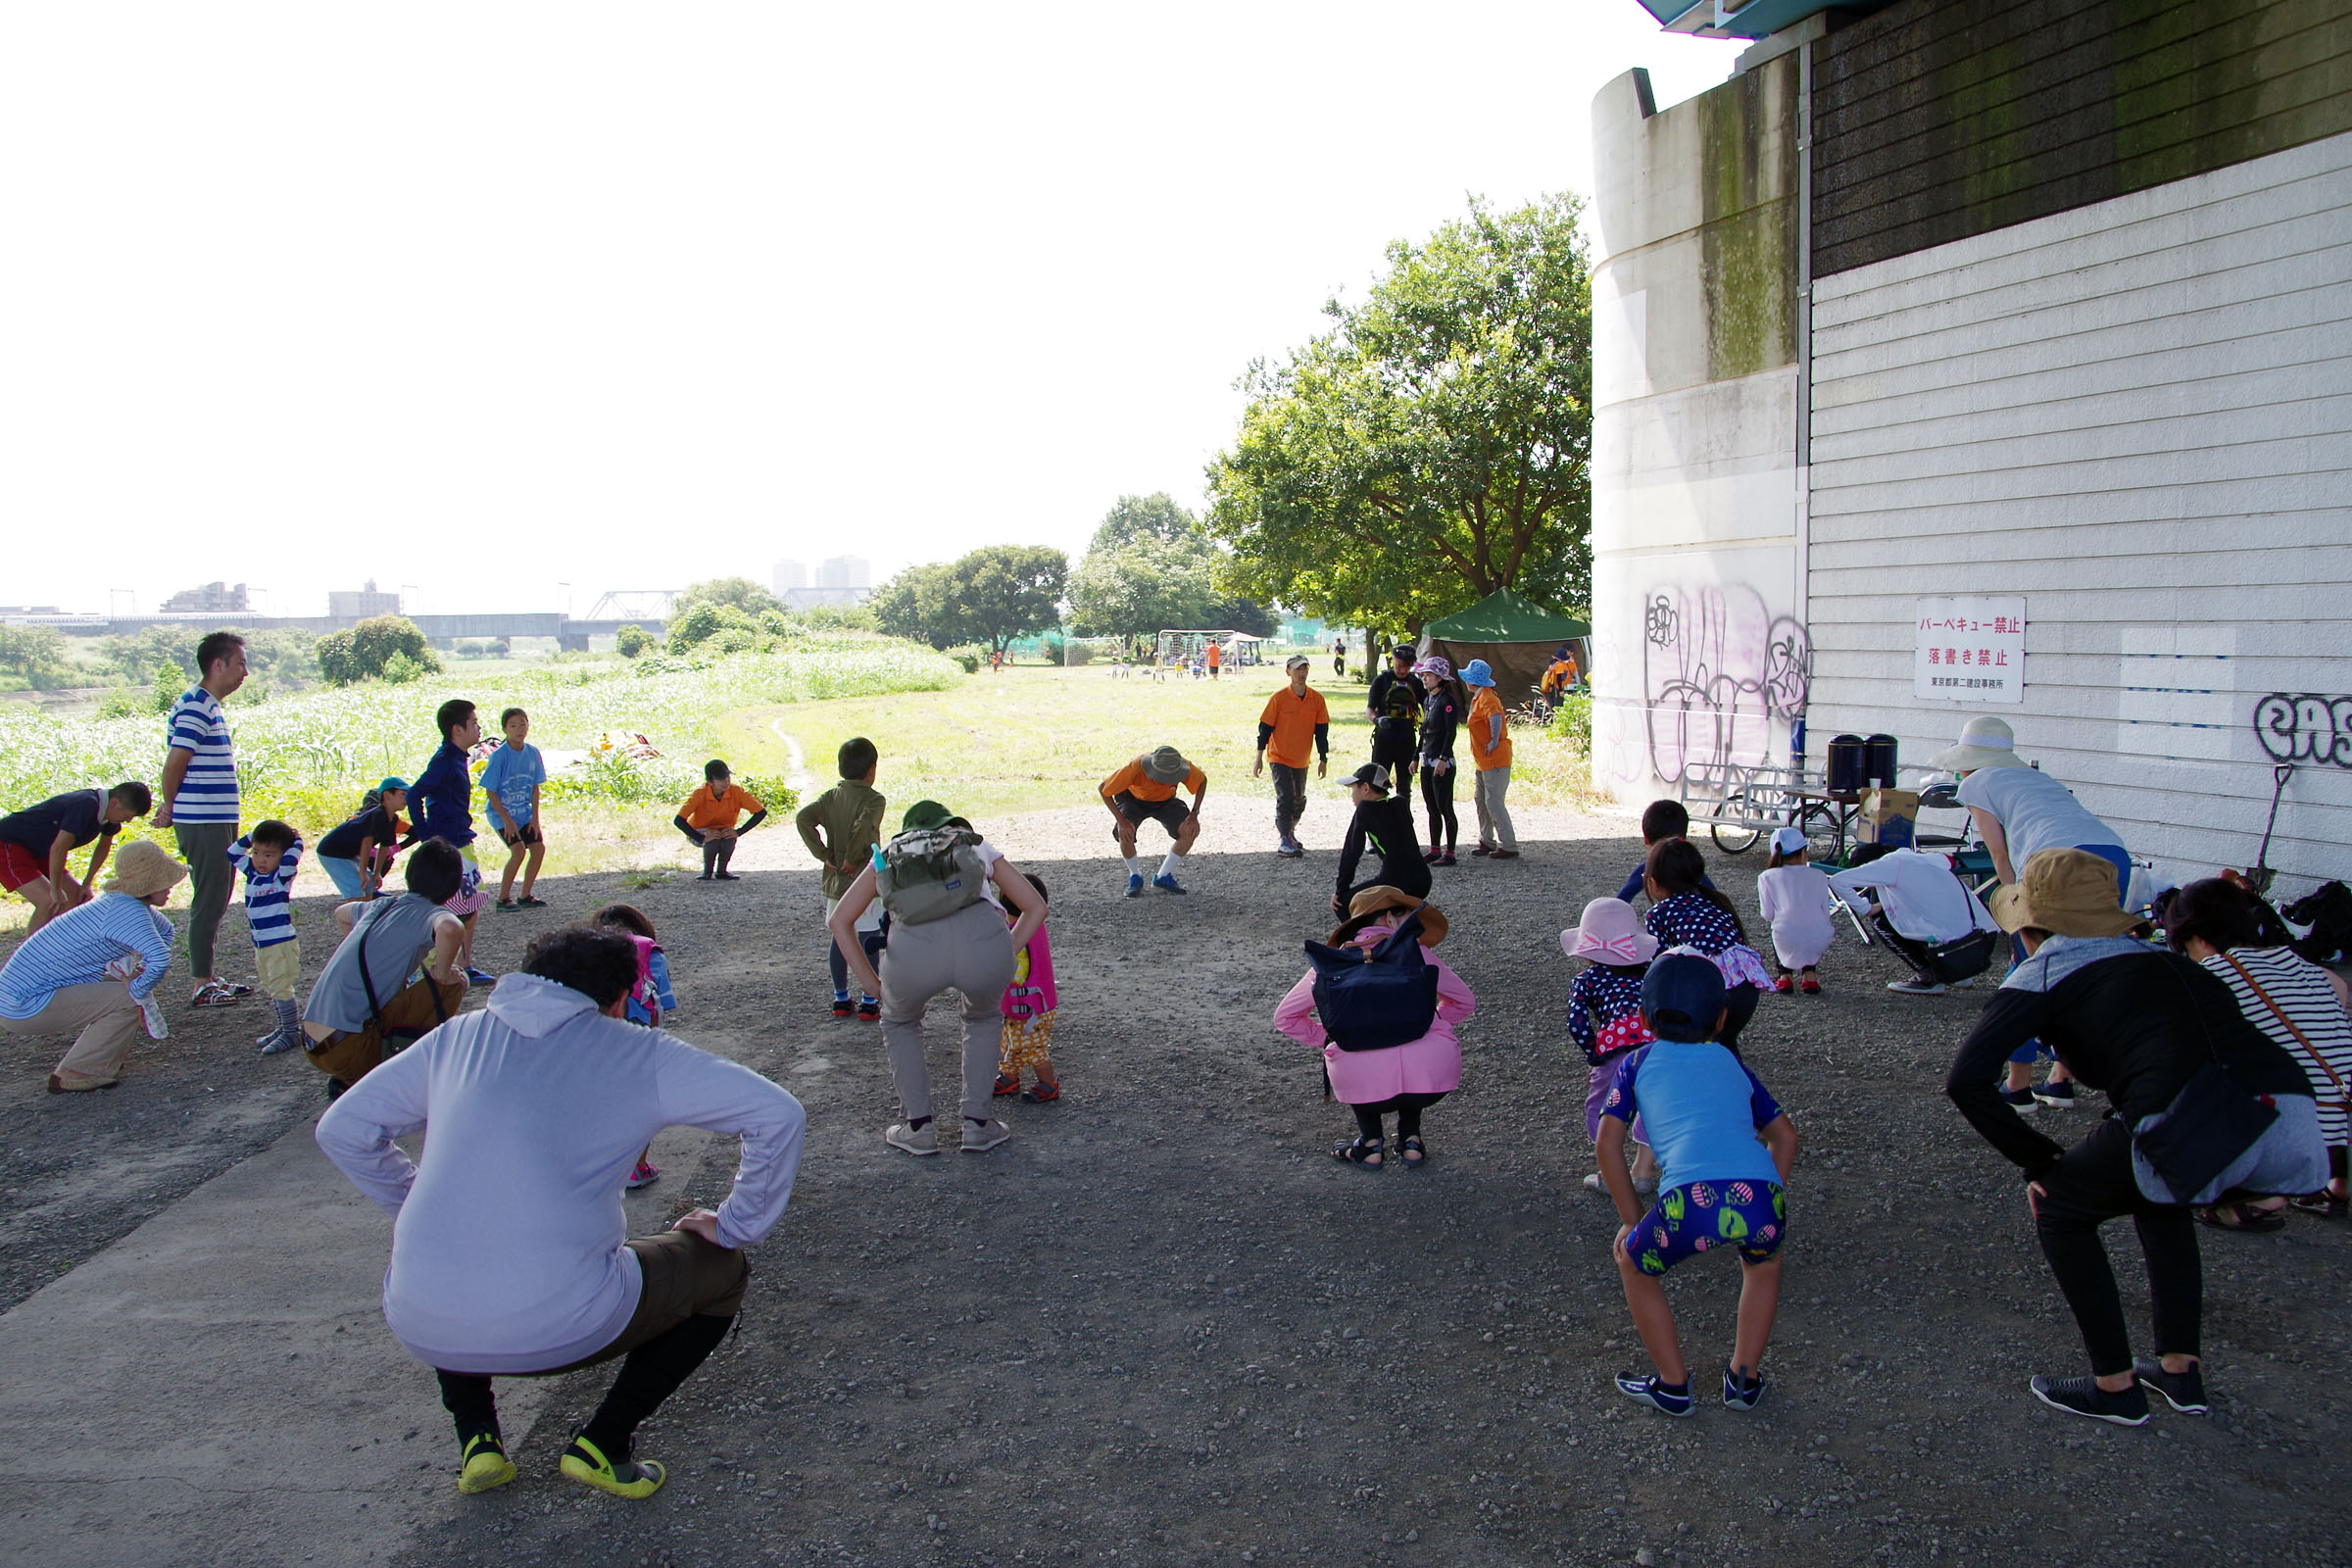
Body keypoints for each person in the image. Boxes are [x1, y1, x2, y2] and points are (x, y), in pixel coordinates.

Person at [316, 924, 807, 1500]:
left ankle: (477, 1441)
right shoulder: (639, 1051)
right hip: (567, 1326)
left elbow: (343, 1128)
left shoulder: (458, 1037)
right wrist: (734, 1225)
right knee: (722, 1270)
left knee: (456, 1246)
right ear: (621, 998)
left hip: (423, 1323)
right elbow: (779, 1115)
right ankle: (606, 1441)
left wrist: (412, 1200)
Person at [1945, 849, 2323, 1425]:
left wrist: (2043, 1162)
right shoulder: (2161, 959)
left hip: (2195, 1118)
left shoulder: (2046, 969)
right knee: (2159, 1193)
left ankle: (2114, 1387)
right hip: (2293, 1122)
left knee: (2061, 1208)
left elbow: (1966, 1081)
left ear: (2032, 924)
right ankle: (2180, 1371)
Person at [1598, 954, 1798, 1417]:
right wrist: (1770, 1193)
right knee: (1763, 1267)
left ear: (1644, 1017)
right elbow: (1785, 1136)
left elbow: (1608, 1147)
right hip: (1761, 1197)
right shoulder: (1731, 1063)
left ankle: (1672, 1384)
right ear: (1723, 1017)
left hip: (1691, 1200)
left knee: (1636, 1264)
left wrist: (1633, 1221)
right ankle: (1743, 1380)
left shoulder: (1636, 1063)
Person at [828, 800, 1047, 1155]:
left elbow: (839, 920)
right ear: (951, 824)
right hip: (983, 941)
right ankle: (978, 1125)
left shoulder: (888, 853)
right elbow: (1036, 906)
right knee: (983, 1019)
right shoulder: (972, 843)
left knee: (900, 1023)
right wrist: (1005, 951)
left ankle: (918, 1127)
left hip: (914, 950)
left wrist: (870, 984)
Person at [1934, 716, 2130, 1111]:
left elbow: (1999, 854)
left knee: (2029, 973)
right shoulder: (2041, 780)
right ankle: (2060, 1080)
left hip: (2055, 865)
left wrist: (2013, 902)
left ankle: (2018, 1084)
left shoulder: (1975, 783)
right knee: (2079, 969)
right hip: (2112, 858)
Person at [2164, 877, 2352, 1225]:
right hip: (2340, 1136)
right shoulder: (2314, 971)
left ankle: (2262, 1195)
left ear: (2194, 936)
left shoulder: (2213, 975)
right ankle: (2337, 1183)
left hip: (2290, 1139)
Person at [1274, 887, 1472, 1170]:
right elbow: (1465, 1002)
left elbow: (1286, 1017)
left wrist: (1335, 1036)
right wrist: (1427, 1022)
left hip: (1361, 1083)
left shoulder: (1332, 963)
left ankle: (1370, 1144)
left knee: (1363, 1060)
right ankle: (1411, 1140)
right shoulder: (1420, 955)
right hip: (1431, 1081)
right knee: (1412, 1050)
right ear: (1390, 918)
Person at [0, 839, 182, 1092]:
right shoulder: (128, 911)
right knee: (130, 998)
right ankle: (78, 1072)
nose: (172, 886)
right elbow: (161, 958)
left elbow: (166, 932)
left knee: (127, 990)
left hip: (14, 996)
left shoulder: (121, 901)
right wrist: (139, 985)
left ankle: (98, 1059)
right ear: (147, 885)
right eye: (165, 881)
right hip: (22, 1005)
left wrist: (138, 972)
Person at [302, 839, 469, 1096]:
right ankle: (390, 1073)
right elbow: (452, 928)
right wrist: (443, 971)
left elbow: (342, 913)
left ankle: (355, 1076)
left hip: (314, 1044)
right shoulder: (430, 914)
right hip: (345, 1049)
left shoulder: (382, 905)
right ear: (453, 884)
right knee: (453, 983)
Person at [155, 630, 250, 1006]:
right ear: (217, 664)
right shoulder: (195, 704)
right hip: (203, 818)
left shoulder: (210, 705)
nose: (245, 672)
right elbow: (175, 763)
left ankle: (209, 975)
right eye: (240, 663)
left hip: (217, 816)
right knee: (210, 896)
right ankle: (200, 982)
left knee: (219, 893)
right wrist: (170, 806)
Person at [1564, 898, 1658, 1196]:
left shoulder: (1586, 980)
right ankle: (1643, 1171)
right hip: (1658, 1043)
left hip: (1614, 1046)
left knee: (1603, 1105)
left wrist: (1595, 1055)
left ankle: (1608, 1174)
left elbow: (1577, 1024)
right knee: (1653, 1103)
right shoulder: (1650, 973)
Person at [1642, 839, 1771, 1054]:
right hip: (1746, 988)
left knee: (1698, 1049)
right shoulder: (1715, 902)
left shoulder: (1659, 913)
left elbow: (1659, 967)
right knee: (1725, 1046)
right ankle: (1738, 1084)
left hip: (1710, 991)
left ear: (1653, 882)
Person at [1824, 844, 1998, 997]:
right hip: (1983, 940)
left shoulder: (1888, 865)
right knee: (1931, 916)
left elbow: (1838, 881)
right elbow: (1951, 861)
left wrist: (1866, 908)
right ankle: (1958, 975)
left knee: (1880, 922)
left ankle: (1928, 977)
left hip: (1952, 950)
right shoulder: (1922, 858)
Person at [795, 737, 888, 1020]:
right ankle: (870, 1000)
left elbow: (803, 818)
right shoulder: (874, 799)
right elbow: (864, 827)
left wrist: (823, 854)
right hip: (863, 881)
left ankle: (841, 998)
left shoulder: (829, 798)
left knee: (840, 936)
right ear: (872, 769)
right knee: (869, 936)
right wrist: (851, 857)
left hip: (836, 882)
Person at [592, 904, 681, 1192]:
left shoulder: (586, 951)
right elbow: (664, 1001)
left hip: (595, 1037)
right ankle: (637, 1168)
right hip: (639, 1038)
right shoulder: (650, 952)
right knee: (641, 1104)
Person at [413, 698, 494, 986]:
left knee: (470, 906)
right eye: (473, 723)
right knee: (453, 910)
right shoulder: (445, 761)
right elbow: (414, 794)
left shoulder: (457, 757)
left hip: (461, 840)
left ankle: (464, 964)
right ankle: (435, 969)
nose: (479, 727)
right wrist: (426, 836)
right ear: (457, 729)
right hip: (450, 846)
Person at [0, 781, 151, 934]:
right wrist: (56, 889)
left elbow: (103, 847)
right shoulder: (85, 804)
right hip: (8, 845)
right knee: (49, 901)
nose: (128, 821)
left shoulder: (108, 814)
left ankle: (57, 945)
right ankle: (31, 956)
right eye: (127, 815)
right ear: (114, 802)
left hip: (40, 850)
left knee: (76, 897)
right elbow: (59, 848)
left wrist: (87, 883)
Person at [228, 819, 306, 1054]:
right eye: (257, 852)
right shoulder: (251, 872)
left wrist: (295, 838)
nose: (261, 860)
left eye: (270, 855)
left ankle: (291, 1032)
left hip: (280, 943)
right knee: (270, 985)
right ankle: (284, 1027)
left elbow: (295, 853)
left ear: (281, 856)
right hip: (261, 943)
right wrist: (255, 834)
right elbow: (232, 853)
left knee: (281, 986)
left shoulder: (282, 876)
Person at [1102, 745, 1206, 895]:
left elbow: (1202, 781)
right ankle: (1135, 875)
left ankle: (1162, 876)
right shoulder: (1135, 767)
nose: (1164, 781)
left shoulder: (1181, 765)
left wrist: (1194, 813)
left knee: (1190, 830)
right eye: (1161, 776)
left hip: (1165, 801)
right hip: (1133, 800)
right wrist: (1121, 821)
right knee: (1125, 832)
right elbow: (1103, 789)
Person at [1252, 656, 1330, 858]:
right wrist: (1259, 757)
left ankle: (1290, 833)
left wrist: (1323, 758)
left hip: (1302, 758)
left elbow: (1321, 732)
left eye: (1305, 669)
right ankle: (1284, 839)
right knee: (1285, 797)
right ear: (1288, 671)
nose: (1301, 673)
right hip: (1279, 756)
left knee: (1298, 800)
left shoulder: (1317, 699)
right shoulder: (1278, 698)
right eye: (1297, 669)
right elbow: (1264, 729)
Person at [993, 872, 1060, 1103]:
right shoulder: (1035, 925)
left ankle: (1048, 1084)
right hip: (1034, 1005)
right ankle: (1009, 1077)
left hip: (1029, 1008)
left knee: (1034, 1048)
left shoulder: (1014, 935)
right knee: (1012, 1043)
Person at [1332, 763, 1428, 917]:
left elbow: (1352, 851)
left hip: (1395, 879)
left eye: (1353, 789)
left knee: (1343, 905)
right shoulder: (1401, 803)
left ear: (1365, 788)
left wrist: (1341, 890)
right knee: (1392, 913)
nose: (1352, 795)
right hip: (1423, 878)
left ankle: (1367, 940)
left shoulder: (1365, 809)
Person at [478, 707, 549, 911]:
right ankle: (502, 898)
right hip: (501, 814)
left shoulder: (533, 753)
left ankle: (525, 895)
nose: (519, 729)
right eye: (513, 725)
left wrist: (535, 818)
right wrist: (506, 820)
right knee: (517, 851)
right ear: (505, 729)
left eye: (522, 724)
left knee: (538, 849)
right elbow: (491, 791)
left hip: (523, 813)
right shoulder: (500, 756)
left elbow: (535, 787)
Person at [1754, 826, 1835, 995]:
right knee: (1808, 924)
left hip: (1786, 938)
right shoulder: (1819, 875)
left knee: (1783, 926)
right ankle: (1810, 976)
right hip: (1821, 936)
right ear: (1804, 852)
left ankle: (1785, 977)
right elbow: (1825, 912)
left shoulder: (1766, 877)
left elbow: (1767, 914)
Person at [315, 780, 412, 901]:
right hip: (332, 852)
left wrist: (377, 873)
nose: (407, 798)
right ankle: (351, 916)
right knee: (356, 887)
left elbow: (384, 847)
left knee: (369, 885)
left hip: (349, 853)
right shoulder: (378, 815)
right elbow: (366, 843)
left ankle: (365, 915)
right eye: (403, 794)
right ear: (387, 795)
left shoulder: (392, 819)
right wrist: (362, 872)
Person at [1460, 660, 1518, 859]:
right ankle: (1487, 840)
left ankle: (1508, 844)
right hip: (1484, 761)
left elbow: (1494, 717)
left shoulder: (1486, 697)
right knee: (1482, 799)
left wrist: (1494, 740)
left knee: (1493, 801)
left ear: (1471, 680)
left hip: (1494, 759)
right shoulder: (1482, 696)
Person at [674, 760, 767, 881]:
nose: (726, 781)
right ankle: (707, 872)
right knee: (713, 839)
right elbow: (678, 820)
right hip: (699, 831)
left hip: (723, 830)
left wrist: (739, 832)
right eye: (721, 779)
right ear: (710, 782)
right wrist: (701, 838)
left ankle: (722, 871)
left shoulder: (736, 792)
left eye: (727, 776)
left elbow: (761, 812)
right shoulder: (700, 793)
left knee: (729, 837)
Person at [1613, 801, 1715, 905]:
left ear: (1646, 839)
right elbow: (1717, 900)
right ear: (1683, 839)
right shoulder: (1692, 869)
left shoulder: (1647, 868)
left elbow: (1618, 904)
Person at [1413, 657, 1461, 866]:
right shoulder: (1428, 700)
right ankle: (1434, 848)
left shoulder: (1447, 701)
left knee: (1444, 807)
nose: (1424, 678)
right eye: (1423, 674)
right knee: (1431, 807)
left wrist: (1443, 758)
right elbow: (1424, 733)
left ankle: (1450, 852)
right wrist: (1416, 756)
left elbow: (1450, 733)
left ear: (1440, 678)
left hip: (1442, 762)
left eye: (1428, 675)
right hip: (1427, 758)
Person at [1365, 645, 1416, 727]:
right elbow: (1370, 709)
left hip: (1408, 733)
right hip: (1384, 733)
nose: (1402, 670)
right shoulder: (1381, 680)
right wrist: (1377, 720)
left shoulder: (1415, 682)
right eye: (1399, 666)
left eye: (1407, 666)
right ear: (1393, 660)